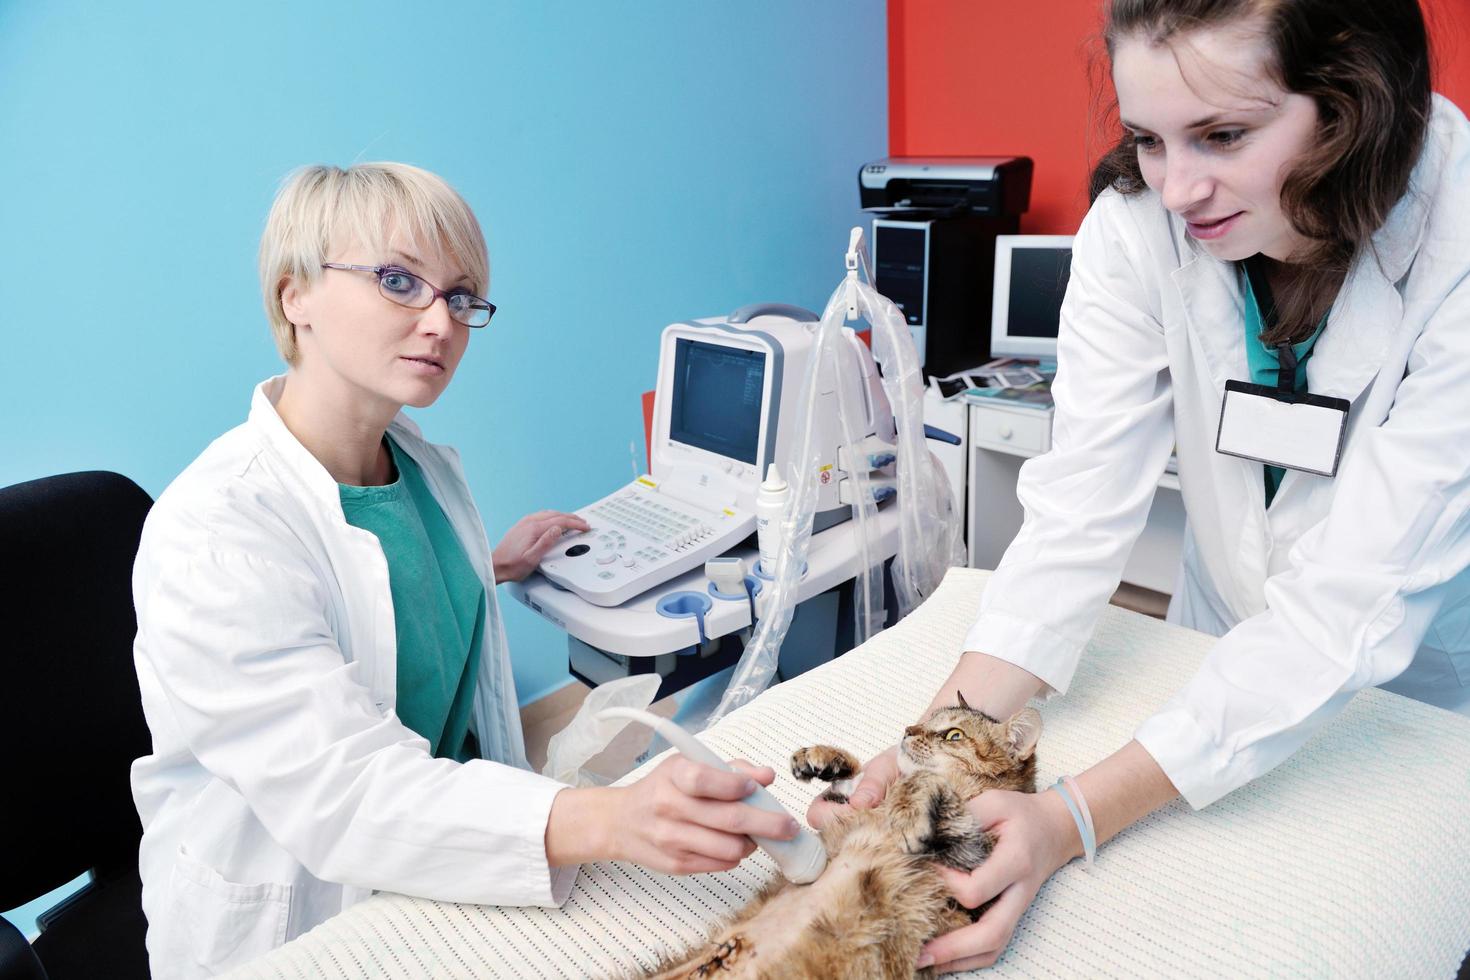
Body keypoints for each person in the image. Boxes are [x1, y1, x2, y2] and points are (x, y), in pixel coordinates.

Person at [811, 0, 1470, 971]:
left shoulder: (1457, 245)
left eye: (1224, 135)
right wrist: (929, 754)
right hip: (1218, 627)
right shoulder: (1140, 222)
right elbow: (1076, 509)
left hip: (1414, 693)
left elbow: (1347, 614)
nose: (1178, 187)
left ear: (1353, 106)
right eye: (1148, 139)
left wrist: (1070, 817)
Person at [129, 162, 797, 977]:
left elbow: (371, 586)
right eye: (399, 281)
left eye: (459, 295)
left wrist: (486, 566)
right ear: (293, 295)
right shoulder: (217, 534)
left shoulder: (415, 463)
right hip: (298, 923)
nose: (439, 322)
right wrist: (610, 820)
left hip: (430, 873)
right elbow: (345, 795)